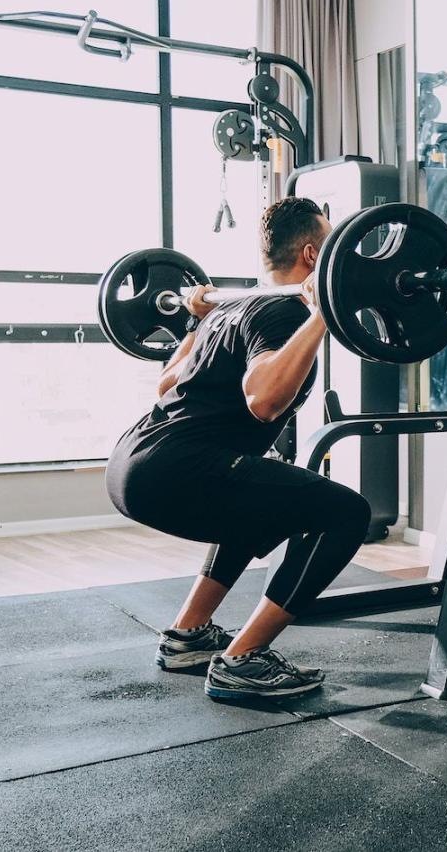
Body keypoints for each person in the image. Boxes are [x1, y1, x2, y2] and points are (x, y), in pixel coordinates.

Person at [105, 197, 371, 702]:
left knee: (258, 493)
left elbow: (166, 386)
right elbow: (264, 401)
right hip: (176, 468)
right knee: (347, 514)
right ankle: (242, 660)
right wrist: (321, 315)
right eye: (333, 244)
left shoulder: (232, 308)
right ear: (314, 257)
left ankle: (189, 635)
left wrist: (195, 322)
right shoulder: (285, 312)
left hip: (133, 462)